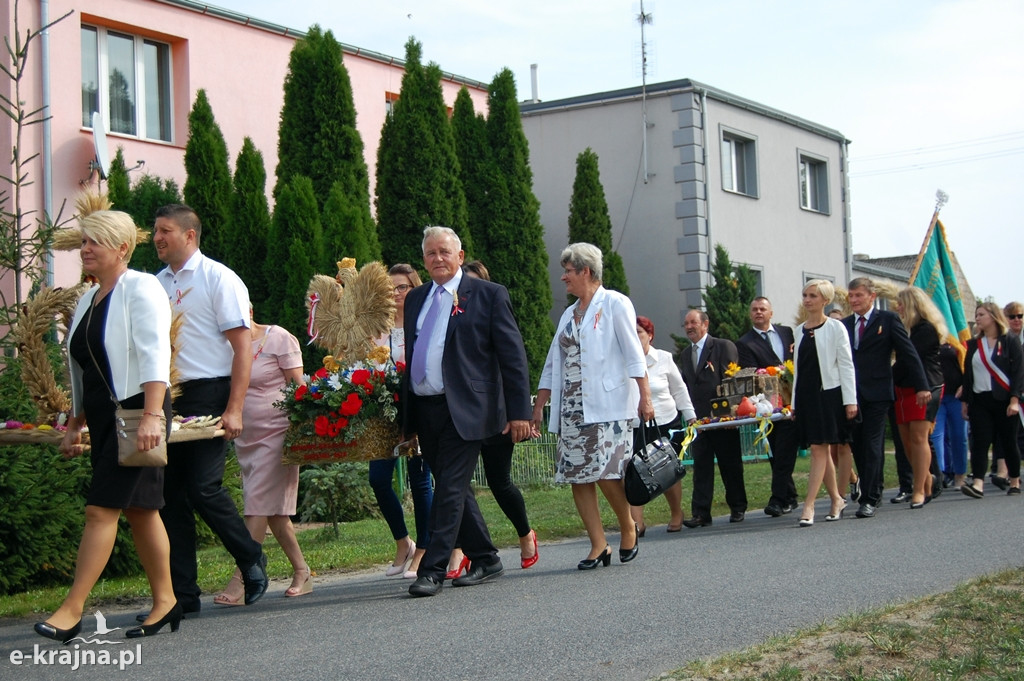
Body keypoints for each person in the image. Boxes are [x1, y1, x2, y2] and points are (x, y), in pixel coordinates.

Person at [36, 209, 180, 642]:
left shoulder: (142, 287)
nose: (85, 249)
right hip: (105, 417)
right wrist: (75, 422)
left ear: (122, 248)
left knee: (102, 509)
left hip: (139, 412)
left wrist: (153, 416)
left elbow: (155, 353)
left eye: (95, 241)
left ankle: (72, 608)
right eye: (83, 242)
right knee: (141, 510)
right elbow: (85, 368)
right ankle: (167, 600)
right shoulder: (90, 297)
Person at [403, 227, 533, 597]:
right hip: (426, 407)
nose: (437, 258)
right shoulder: (416, 299)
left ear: (460, 256)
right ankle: (486, 557)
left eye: (445, 252)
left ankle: (432, 570)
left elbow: (512, 355)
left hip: (468, 407)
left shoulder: (488, 295)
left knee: (449, 488)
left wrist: (519, 411)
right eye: (430, 253)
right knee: (453, 488)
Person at [152, 204, 267, 616]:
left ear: (190, 235)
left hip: (209, 392)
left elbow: (242, 349)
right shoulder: (155, 284)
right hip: (167, 393)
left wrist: (234, 408)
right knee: (170, 496)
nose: (157, 238)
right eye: (155, 231)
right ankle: (182, 596)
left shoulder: (219, 278)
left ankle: (250, 555)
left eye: (165, 230)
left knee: (203, 487)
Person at [531, 243, 653, 569]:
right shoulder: (569, 313)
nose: (563, 277)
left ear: (585, 271)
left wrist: (646, 396)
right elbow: (552, 362)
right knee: (578, 476)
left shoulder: (615, 303)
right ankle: (598, 545)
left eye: (568, 271)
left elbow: (633, 352)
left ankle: (628, 526)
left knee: (605, 473)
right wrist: (540, 404)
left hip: (607, 406)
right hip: (572, 408)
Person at [212, 309, 312, 604]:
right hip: (246, 438)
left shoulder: (278, 338)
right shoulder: (225, 346)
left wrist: (305, 432)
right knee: (275, 514)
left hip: (278, 434)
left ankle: (244, 574)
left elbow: (299, 388)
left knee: (256, 503)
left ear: (249, 310)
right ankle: (302, 571)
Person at [461, 260, 538, 570]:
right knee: (456, 485)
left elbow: (513, 362)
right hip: (459, 413)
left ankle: (525, 533)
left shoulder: (493, 306)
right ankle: (463, 550)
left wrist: (518, 414)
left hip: (495, 413)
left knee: (498, 482)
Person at [843, 277, 929, 519]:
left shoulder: (888, 320)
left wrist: (922, 385)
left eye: (859, 295)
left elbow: (908, 353)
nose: (854, 300)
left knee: (872, 443)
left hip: (879, 393)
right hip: (853, 394)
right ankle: (875, 488)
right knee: (858, 444)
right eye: (851, 296)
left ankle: (869, 498)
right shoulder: (845, 324)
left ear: (872, 296)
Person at [369, 264, 433, 580]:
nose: (396, 294)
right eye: (391, 288)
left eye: (403, 287)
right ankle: (402, 542)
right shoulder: (376, 327)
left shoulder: (422, 323)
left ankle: (423, 548)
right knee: (378, 478)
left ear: (415, 288)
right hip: (386, 411)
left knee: (420, 479)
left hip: (418, 409)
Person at [793, 280, 858, 527]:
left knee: (820, 449)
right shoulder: (799, 331)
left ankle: (809, 504)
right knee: (819, 449)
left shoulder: (836, 328)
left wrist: (850, 400)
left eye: (812, 296)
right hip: (807, 396)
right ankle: (836, 499)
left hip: (828, 394)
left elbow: (846, 364)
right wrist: (795, 403)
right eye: (805, 295)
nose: (807, 300)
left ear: (825, 300)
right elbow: (799, 370)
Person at [679, 309, 747, 527]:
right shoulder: (685, 354)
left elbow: (733, 380)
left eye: (693, 322)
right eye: (686, 324)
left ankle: (737, 507)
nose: (689, 327)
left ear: (705, 324)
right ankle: (701, 513)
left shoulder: (722, 346)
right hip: (699, 422)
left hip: (722, 419)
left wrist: (729, 412)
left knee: (730, 465)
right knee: (701, 467)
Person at [629, 315, 696, 534]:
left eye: (639, 332)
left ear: (650, 335)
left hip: (665, 421)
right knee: (634, 473)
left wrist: (690, 414)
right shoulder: (623, 360)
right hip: (634, 425)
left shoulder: (664, 358)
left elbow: (679, 389)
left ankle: (676, 512)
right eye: (632, 332)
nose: (635, 336)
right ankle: (636, 522)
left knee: (666, 470)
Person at [736, 296, 800, 517]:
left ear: (771, 313)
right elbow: (751, 373)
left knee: (785, 451)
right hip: (770, 405)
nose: (759, 312)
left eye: (763, 309)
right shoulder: (744, 342)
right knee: (776, 451)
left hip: (794, 400)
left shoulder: (787, 333)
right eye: (754, 309)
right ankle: (788, 497)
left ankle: (778, 498)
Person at [960, 302, 1024, 498]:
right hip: (980, 400)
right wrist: (965, 401)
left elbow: (1018, 372)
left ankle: (1014, 480)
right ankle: (978, 483)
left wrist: (1014, 399)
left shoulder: (1010, 341)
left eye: (981, 314)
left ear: (993, 316)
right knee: (980, 441)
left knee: (1008, 441)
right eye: (977, 315)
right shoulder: (973, 344)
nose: (977, 318)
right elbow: (968, 375)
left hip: (1004, 400)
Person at [893, 287, 947, 508]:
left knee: (918, 438)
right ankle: (926, 479)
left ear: (912, 305)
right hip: (903, 388)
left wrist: (886, 374)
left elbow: (909, 359)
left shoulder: (925, 329)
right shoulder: (907, 329)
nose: (898, 308)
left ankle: (918, 491)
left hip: (925, 387)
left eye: (901, 304)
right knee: (906, 442)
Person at [931, 342, 968, 489]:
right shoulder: (928, 335)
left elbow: (967, 363)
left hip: (956, 396)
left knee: (959, 436)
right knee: (935, 436)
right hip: (937, 395)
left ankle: (960, 475)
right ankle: (939, 475)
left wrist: (965, 384)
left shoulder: (957, 337)